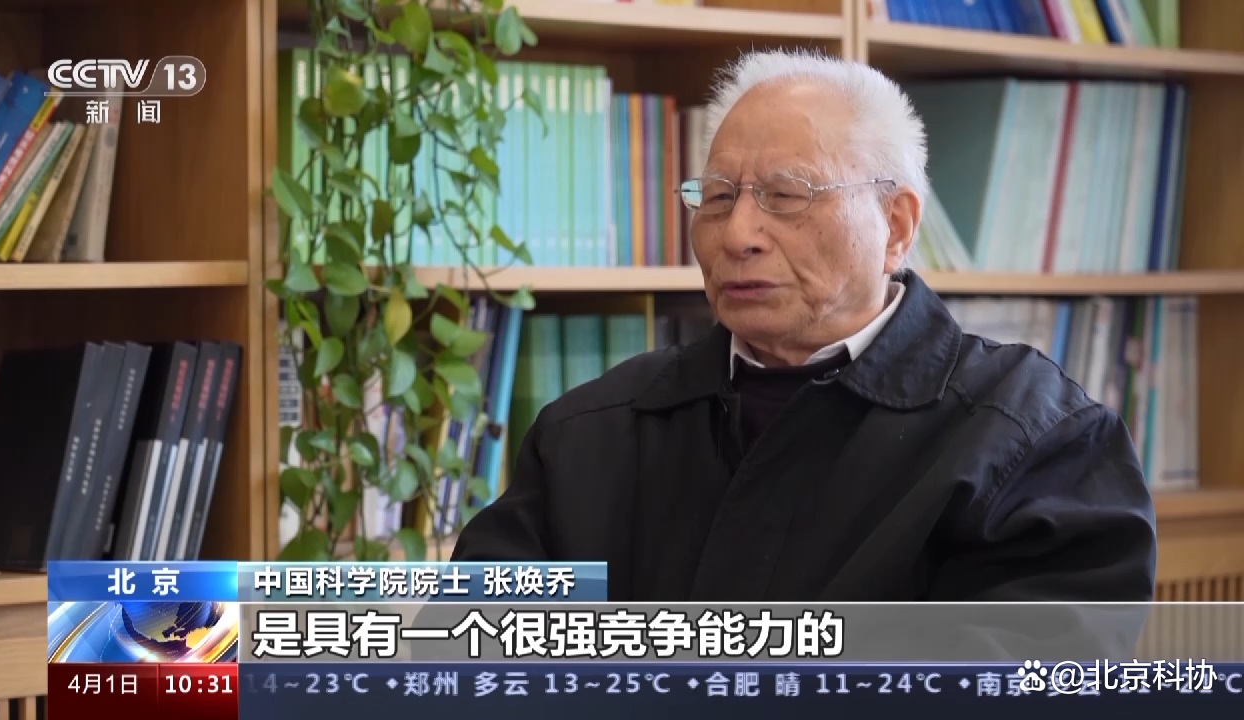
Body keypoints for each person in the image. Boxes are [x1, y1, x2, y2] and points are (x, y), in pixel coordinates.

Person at [451, 49, 1157, 603]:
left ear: (895, 226)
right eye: (717, 196)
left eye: (785, 195)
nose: (738, 234)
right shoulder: (590, 433)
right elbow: (469, 652)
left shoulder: (1038, 442)